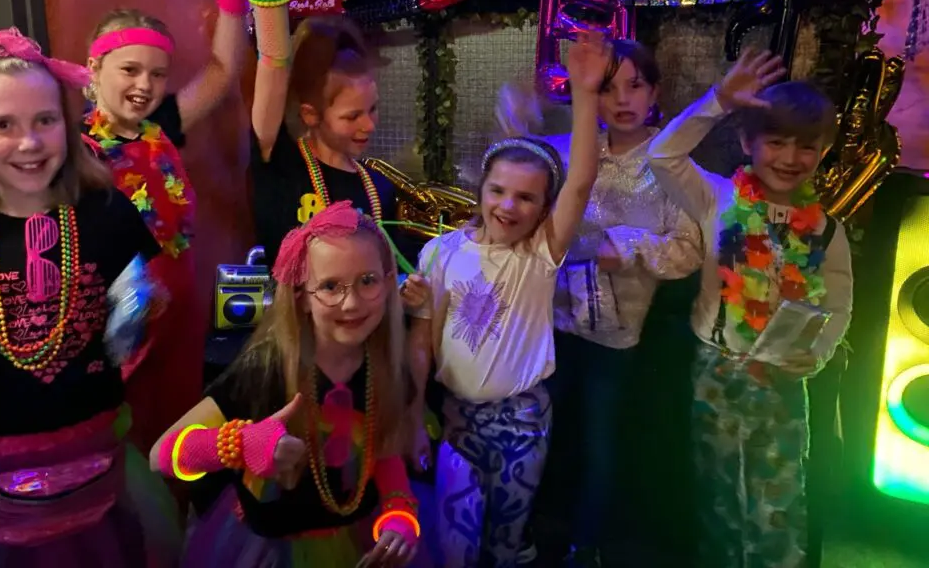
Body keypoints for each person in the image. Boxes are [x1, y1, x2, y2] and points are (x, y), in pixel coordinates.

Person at [0, 29, 180, 565]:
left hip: (94, 472)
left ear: (67, 126)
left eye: (45, 121)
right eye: (2, 124)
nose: (29, 143)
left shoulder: (106, 213)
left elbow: (132, 320)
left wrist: (140, 305)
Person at [405, 33, 611, 568]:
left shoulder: (539, 255)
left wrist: (585, 94)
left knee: (505, 544)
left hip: (521, 423)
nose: (508, 205)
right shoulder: (440, 253)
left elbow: (581, 182)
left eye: (525, 197)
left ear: (544, 208)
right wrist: (413, 414)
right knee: (453, 544)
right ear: (481, 190)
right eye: (498, 190)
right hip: (456, 419)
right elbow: (421, 340)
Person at [647, 49, 853, 568]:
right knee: (717, 491)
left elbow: (840, 304)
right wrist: (717, 101)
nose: (790, 157)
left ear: (823, 151)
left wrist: (818, 354)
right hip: (715, 370)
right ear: (747, 143)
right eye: (776, 141)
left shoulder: (827, 229)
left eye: (806, 146)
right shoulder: (717, 199)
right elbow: (663, 156)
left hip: (783, 377)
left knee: (778, 501)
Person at [499, 42, 703, 565]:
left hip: (616, 336)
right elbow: (514, 183)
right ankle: (525, 533)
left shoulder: (669, 165)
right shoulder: (570, 150)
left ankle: (588, 546)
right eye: (608, 88)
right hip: (550, 324)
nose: (622, 100)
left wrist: (631, 246)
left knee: (602, 445)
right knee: (539, 433)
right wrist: (515, 116)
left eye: (635, 85)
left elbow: (690, 249)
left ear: (655, 92)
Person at [151, 201, 423, 567]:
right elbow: (162, 455)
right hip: (266, 550)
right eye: (330, 286)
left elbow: (385, 453)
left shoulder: (387, 369)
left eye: (368, 281)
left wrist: (398, 515)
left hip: (355, 541)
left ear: (389, 283)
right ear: (301, 297)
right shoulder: (265, 370)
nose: (352, 303)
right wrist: (239, 444)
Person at [81, 0, 251, 453]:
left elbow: (222, 72)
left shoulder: (163, 126)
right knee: (123, 434)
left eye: (157, 74)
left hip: (181, 310)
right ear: (94, 69)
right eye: (129, 70)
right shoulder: (73, 148)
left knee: (176, 429)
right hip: (121, 320)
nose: (145, 84)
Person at [245, 0, 409, 269]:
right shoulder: (280, 161)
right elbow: (273, 61)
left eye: (372, 110)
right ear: (310, 114)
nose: (369, 125)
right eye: (352, 116)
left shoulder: (379, 189)